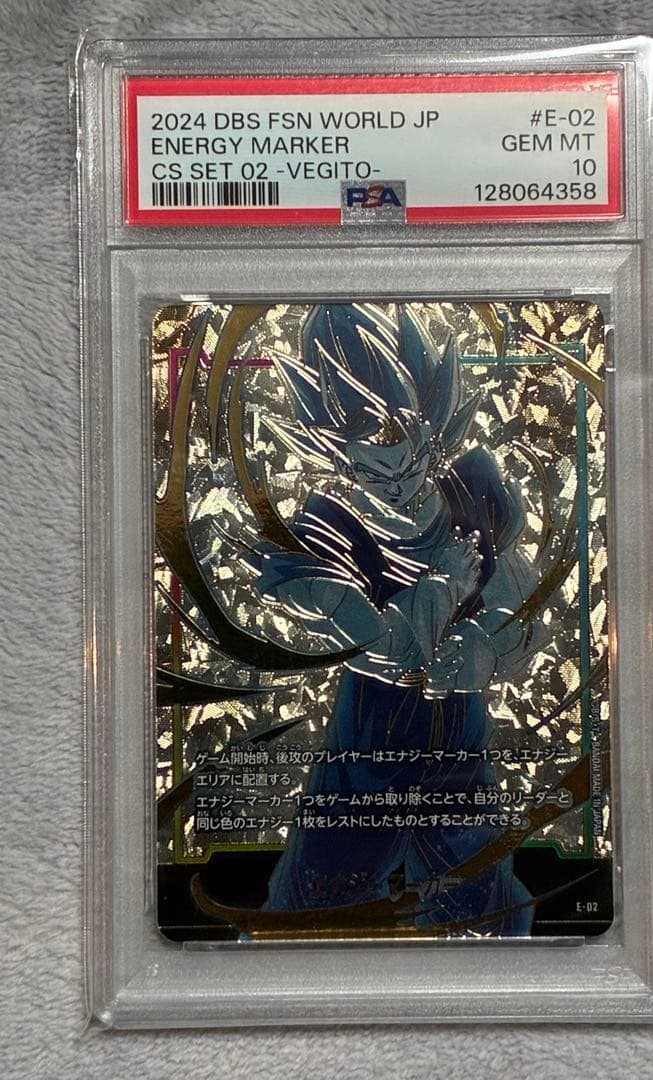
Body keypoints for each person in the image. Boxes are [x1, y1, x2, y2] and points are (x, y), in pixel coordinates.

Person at [253, 303, 546, 934]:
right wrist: (442, 588)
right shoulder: (328, 528)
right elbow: (378, 645)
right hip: (368, 749)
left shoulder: (474, 492)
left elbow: (524, 612)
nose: (386, 478)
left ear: (428, 427)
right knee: (313, 912)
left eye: (396, 449)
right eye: (360, 461)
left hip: (459, 748)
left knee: (487, 914)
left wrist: (486, 649)